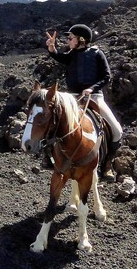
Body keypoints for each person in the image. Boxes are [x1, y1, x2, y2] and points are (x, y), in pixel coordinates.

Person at [45, 24, 123, 181]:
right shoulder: (71, 54)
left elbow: (106, 77)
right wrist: (52, 48)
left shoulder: (97, 54)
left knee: (117, 131)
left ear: (81, 39)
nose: (68, 41)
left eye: (70, 38)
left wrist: (91, 89)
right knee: (50, 122)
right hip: (72, 98)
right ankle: (49, 157)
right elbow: (60, 57)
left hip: (94, 97)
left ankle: (107, 165)